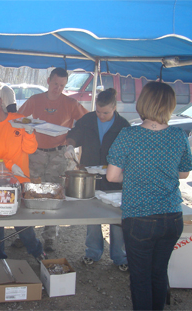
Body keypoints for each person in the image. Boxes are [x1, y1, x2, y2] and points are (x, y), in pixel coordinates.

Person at [106, 81, 192, 310]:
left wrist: (137, 174)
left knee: (141, 278)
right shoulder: (178, 135)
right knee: (158, 273)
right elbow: (184, 173)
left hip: (140, 218)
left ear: (143, 102)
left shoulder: (129, 135)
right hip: (172, 217)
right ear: (170, 105)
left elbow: (112, 176)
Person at [18, 67, 88, 252]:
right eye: (55, 84)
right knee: (30, 191)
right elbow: (18, 118)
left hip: (59, 153)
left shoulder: (71, 103)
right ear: (48, 81)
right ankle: (26, 234)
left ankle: (50, 235)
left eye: (62, 86)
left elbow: (88, 121)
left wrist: (73, 140)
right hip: (36, 153)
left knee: (54, 195)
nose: (58, 88)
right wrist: (28, 127)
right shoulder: (35, 100)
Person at [65, 88, 129, 271]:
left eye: (106, 112)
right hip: (89, 176)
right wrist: (70, 145)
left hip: (115, 178)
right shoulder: (88, 119)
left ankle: (120, 256)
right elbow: (75, 134)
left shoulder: (123, 125)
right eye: (98, 111)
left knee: (117, 219)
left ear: (115, 108)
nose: (101, 115)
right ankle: (93, 252)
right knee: (92, 216)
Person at [0, 88, 47, 262]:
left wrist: (31, 133)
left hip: (19, 179)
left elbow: (30, 149)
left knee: (22, 220)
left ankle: (36, 251)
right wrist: (10, 167)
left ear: (0, 100)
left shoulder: (18, 119)